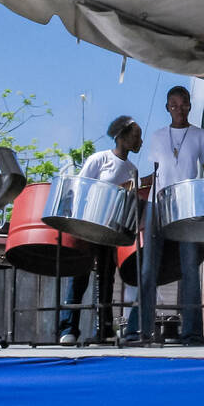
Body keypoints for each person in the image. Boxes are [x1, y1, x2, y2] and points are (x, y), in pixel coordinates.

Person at [126, 85, 204, 346]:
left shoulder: (200, 136)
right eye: (173, 104)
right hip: (158, 203)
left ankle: (192, 333)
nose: (179, 108)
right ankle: (137, 331)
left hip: (188, 205)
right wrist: (132, 185)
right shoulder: (157, 136)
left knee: (190, 268)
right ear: (167, 107)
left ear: (190, 105)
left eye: (183, 103)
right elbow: (157, 173)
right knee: (148, 269)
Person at [58, 116, 142, 345]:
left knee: (107, 278)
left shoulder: (133, 169)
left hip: (111, 230)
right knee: (79, 276)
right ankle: (68, 329)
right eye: (136, 135)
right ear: (122, 137)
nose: (140, 140)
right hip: (89, 225)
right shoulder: (100, 159)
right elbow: (81, 186)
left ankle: (104, 328)